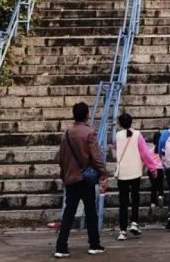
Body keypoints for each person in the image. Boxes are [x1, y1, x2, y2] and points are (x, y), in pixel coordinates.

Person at [55, 101, 107, 258]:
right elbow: (96, 156)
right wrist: (103, 172)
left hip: (70, 179)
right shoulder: (89, 132)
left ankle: (61, 247)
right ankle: (94, 244)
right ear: (86, 115)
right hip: (86, 180)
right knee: (91, 212)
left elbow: (61, 159)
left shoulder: (66, 134)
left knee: (68, 214)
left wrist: (64, 176)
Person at [114, 112, 159, 240]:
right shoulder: (138, 135)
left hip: (122, 172)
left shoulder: (117, 135)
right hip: (135, 172)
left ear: (120, 124)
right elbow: (145, 153)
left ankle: (122, 231)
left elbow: (115, 147)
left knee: (123, 202)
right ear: (131, 122)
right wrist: (152, 168)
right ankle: (134, 223)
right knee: (135, 198)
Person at [147, 131, 164, 221]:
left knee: (154, 186)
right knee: (160, 184)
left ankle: (153, 203)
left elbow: (148, 161)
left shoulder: (150, 150)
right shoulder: (162, 150)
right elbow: (164, 160)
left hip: (151, 170)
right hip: (160, 169)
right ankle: (161, 195)